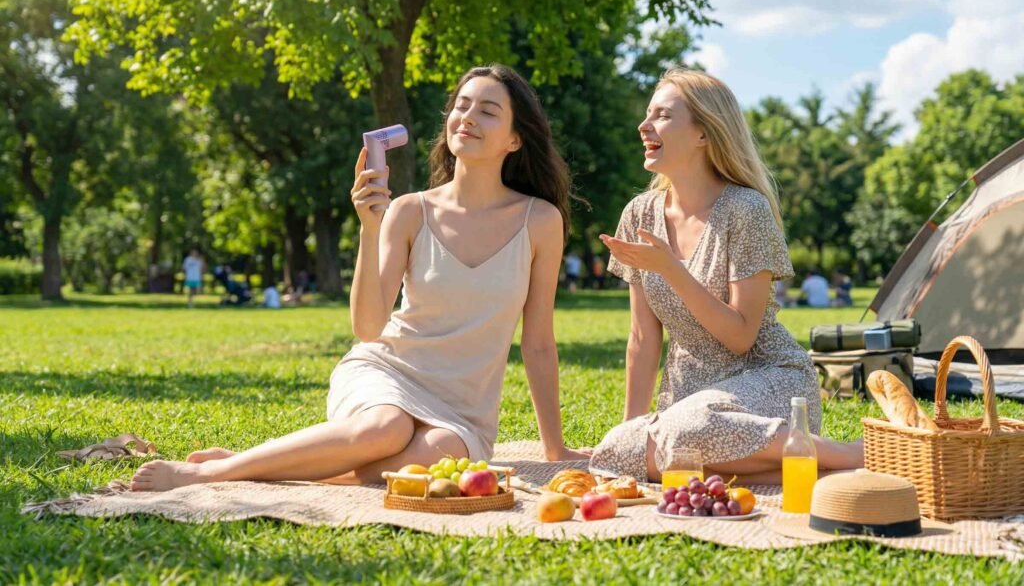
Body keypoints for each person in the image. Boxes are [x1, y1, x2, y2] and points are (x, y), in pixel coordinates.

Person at [130, 64, 588, 492]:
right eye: (461, 106)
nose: (467, 117)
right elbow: (368, 328)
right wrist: (371, 228)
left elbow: (538, 343)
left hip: (462, 409)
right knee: (386, 429)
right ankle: (212, 473)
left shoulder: (539, 221)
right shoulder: (409, 211)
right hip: (388, 373)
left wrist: (555, 447)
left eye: (487, 111)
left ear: (515, 139)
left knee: (416, 463)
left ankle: (262, 462)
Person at [592, 68, 862, 484]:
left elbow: (740, 337)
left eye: (662, 115)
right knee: (614, 453)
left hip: (768, 379)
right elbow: (643, 338)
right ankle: (796, 466)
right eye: (648, 114)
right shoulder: (640, 213)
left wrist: (671, 269)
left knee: (689, 428)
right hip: (689, 398)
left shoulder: (746, 210)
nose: (644, 125)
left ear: (704, 133)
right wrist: (631, 432)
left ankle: (852, 455)